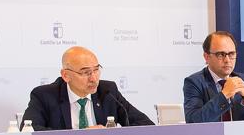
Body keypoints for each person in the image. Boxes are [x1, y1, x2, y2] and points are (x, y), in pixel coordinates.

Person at [21, 46, 153, 130]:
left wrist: (111, 134)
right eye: (85, 73)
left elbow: (146, 124)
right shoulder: (45, 95)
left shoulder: (108, 91)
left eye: (96, 70)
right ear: (66, 75)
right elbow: (28, 129)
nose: (93, 78)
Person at [183, 31, 244, 123]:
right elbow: (192, 121)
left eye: (231, 54)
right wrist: (224, 95)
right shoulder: (194, 82)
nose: (227, 60)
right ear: (206, 57)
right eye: (220, 54)